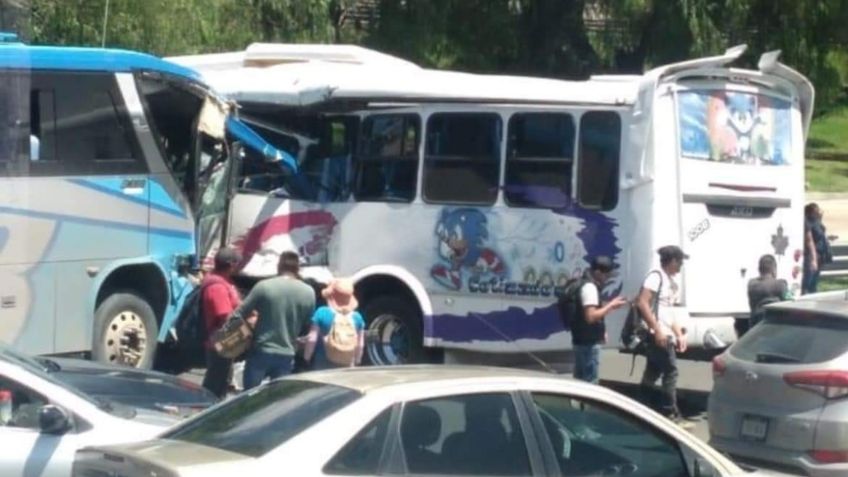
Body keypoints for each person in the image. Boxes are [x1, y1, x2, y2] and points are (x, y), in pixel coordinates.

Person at [231, 251, 316, 390]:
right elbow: (307, 325)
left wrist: (241, 336)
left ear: (279, 266)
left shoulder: (264, 286)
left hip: (261, 350)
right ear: (297, 268)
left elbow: (239, 314)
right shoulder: (309, 292)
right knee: (275, 403)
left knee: (249, 397)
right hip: (287, 353)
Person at [636, 245, 693, 429]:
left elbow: (668, 313)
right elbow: (642, 303)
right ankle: (670, 413)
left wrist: (679, 334)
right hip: (657, 334)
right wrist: (657, 330)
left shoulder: (668, 281)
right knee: (671, 371)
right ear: (673, 261)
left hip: (665, 333)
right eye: (680, 262)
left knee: (652, 371)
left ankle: (640, 408)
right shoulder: (656, 276)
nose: (681, 266)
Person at [572, 256, 627, 384]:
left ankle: (577, 404)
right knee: (590, 383)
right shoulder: (590, 288)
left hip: (581, 341)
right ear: (597, 273)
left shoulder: (585, 284)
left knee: (580, 383)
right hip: (588, 344)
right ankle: (588, 404)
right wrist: (611, 306)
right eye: (607, 275)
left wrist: (602, 330)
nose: (608, 278)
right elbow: (590, 316)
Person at [200, 247, 243, 398]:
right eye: (236, 263)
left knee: (222, 379)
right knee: (214, 383)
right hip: (218, 341)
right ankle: (204, 410)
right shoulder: (217, 287)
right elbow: (225, 315)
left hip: (223, 340)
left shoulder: (223, 282)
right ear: (231, 265)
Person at [303, 278, 366, 369]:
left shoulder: (322, 313)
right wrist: (357, 360)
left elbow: (312, 339)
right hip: (347, 365)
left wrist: (306, 358)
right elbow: (360, 344)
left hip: (323, 364)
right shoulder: (357, 317)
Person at [747, 254, 791, 328]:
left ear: (759, 269)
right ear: (774, 270)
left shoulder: (751, 285)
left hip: (756, 326)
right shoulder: (781, 284)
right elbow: (791, 301)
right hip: (776, 326)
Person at [803, 203, 833, 294]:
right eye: (817, 210)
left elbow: (821, 234)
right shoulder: (808, 223)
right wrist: (813, 258)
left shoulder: (817, 221)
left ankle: (812, 293)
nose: (819, 212)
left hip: (821, 254)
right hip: (812, 255)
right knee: (809, 281)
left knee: (814, 281)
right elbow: (810, 240)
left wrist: (828, 238)